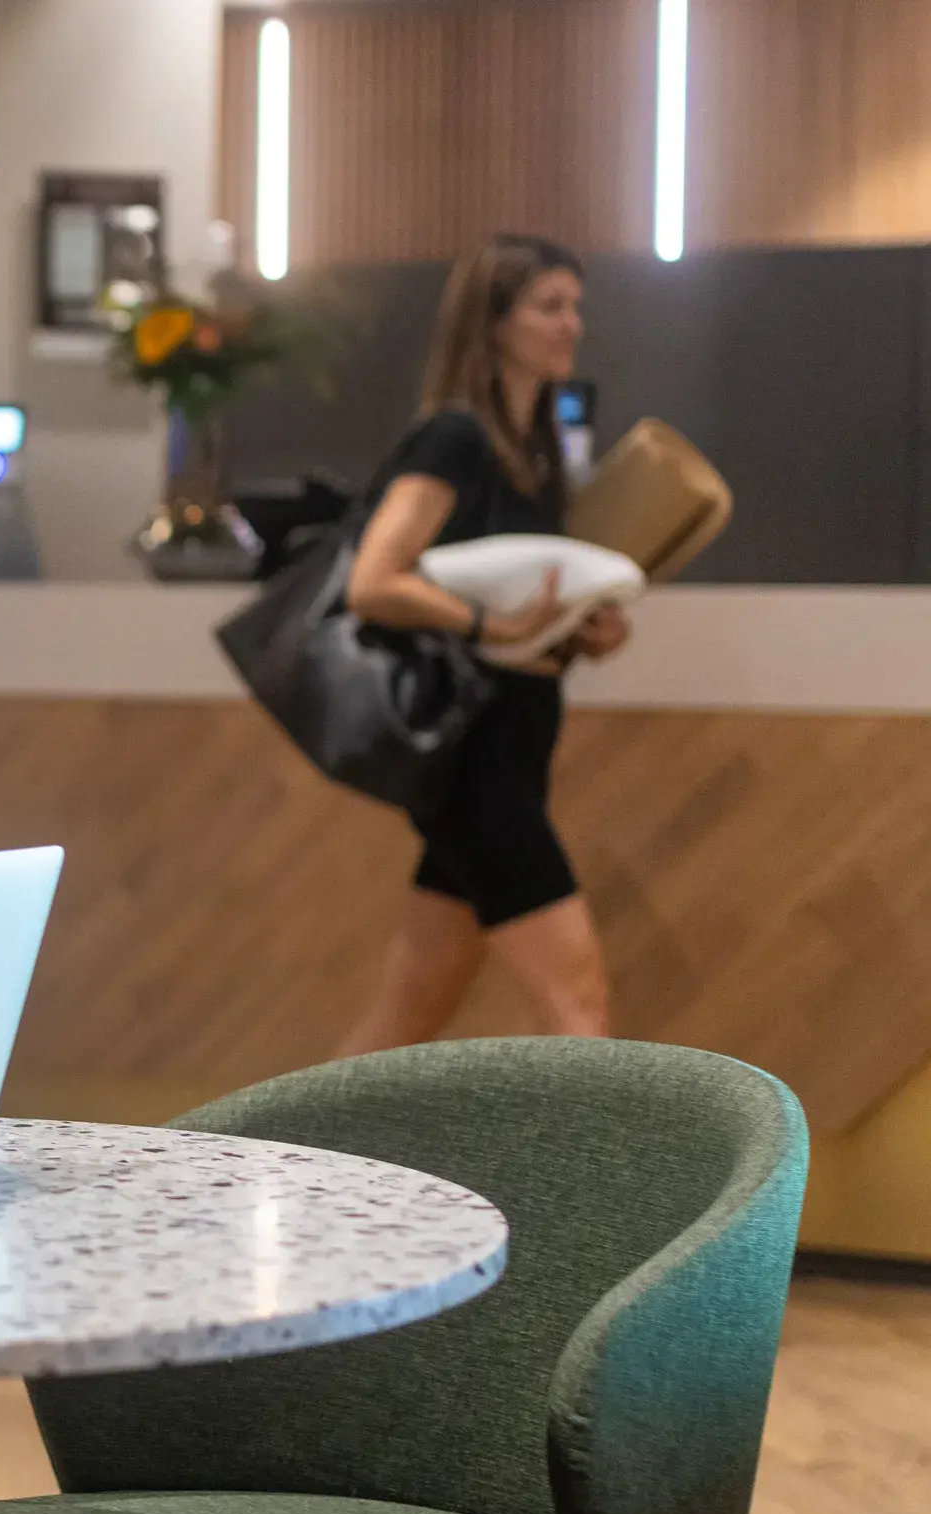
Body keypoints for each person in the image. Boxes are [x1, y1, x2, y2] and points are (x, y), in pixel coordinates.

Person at [333, 234, 630, 1057]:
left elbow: (517, 594)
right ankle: (599, 1189)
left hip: (511, 750)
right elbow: (374, 580)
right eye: (550, 306)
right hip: (474, 765)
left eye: (575, 306)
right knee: (580, 1005)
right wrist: (488, 628)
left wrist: (583, 629)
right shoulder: (455, 440)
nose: (572, 325)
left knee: (406, 1020)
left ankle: (282, 1177)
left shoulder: (535, 455)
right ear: (493, 322)